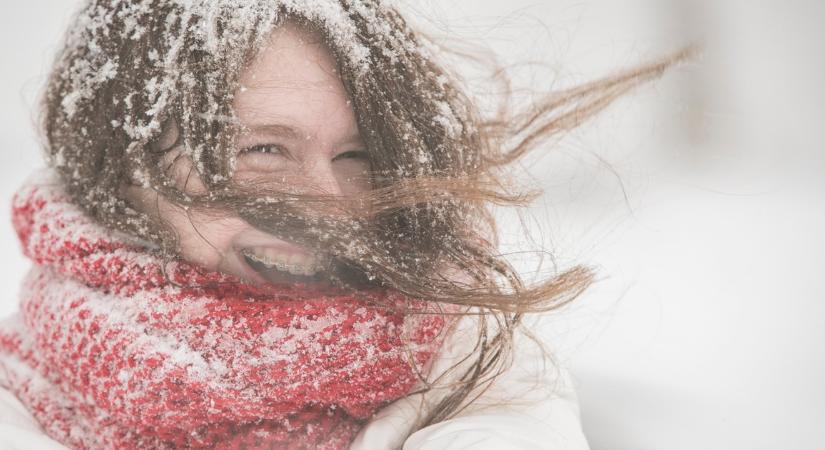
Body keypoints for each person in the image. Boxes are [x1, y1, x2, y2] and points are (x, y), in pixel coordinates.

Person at [0, 1, 686, 448]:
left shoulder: (464, 358)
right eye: (262, 151)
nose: (328, 201)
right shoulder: (20, 395)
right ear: (121, 167)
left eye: (355, 154)